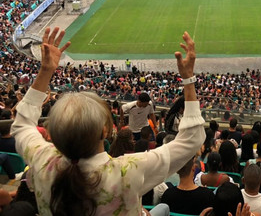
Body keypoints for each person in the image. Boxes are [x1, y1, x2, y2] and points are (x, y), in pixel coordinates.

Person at [11, 27, 205, 216]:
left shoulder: (41, 160)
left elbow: (21, 125)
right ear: (105, 132)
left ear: (53, 135)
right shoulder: (128, 171)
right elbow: (192, 140)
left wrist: (45, 72)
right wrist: (188, 79)